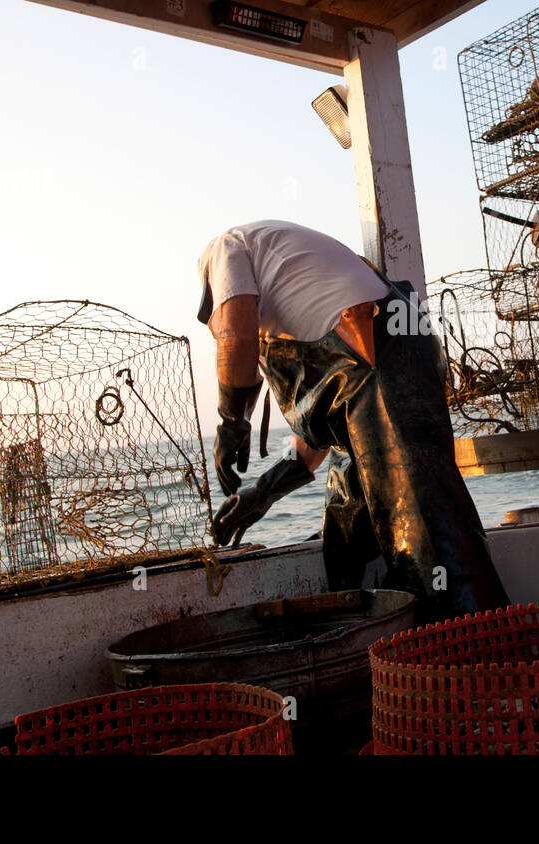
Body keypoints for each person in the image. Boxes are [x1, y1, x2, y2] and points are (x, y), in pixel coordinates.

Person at [196, 219, 510, 625]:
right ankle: (385, 654)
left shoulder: (224, 249)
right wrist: (263, 492)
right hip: (376, 373)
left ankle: (478, 658)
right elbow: (331, 417)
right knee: (348, 536)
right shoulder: (299, 294)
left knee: (425, 532)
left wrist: (231, 418)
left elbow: (235, 333)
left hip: (379, 356)